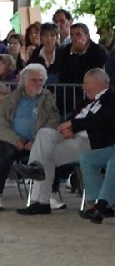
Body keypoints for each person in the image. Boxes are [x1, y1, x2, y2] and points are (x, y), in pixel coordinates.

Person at [14, 68, 115, 215]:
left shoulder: (111, 98)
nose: (83, 87)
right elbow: (73, 118)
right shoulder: (87, 101)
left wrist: (73, 126)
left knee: (46, 156)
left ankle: (39, 197)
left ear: (98, 82)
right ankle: (36, 178)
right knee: (44, 135)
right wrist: (68, 127)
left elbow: (101, 121)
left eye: (86, 83)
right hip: (73, 136)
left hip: (90, 142)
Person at [0, 63, 60, 211]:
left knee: (52, 154)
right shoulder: (9, 100)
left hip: (36, 141)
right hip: (11, 140)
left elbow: (53, 121)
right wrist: (16, 140)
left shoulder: (48, 100)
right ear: (24, 81)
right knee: (7, 154)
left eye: (41, 80)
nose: (38, 83)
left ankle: (50, 194)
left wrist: (36, 142)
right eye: (34, 80)